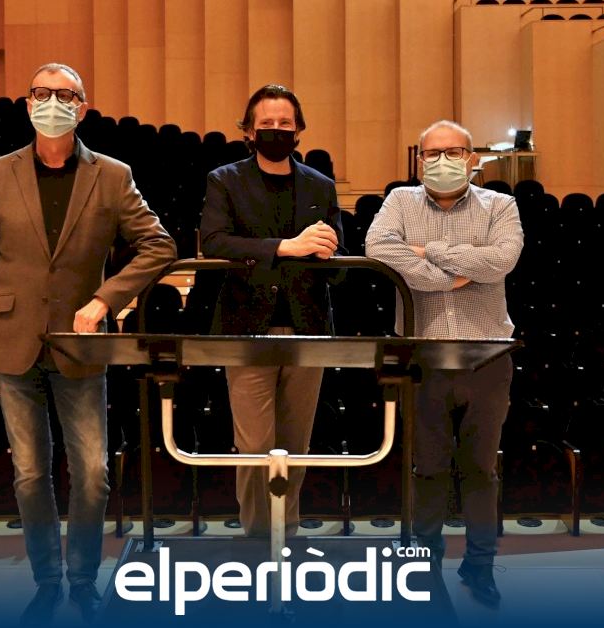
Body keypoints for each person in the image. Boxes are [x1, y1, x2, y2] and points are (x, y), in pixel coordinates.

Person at [0, 63, 177, 622]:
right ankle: (46, 581)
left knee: (93, 474)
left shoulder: (112, 175)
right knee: (30, 473)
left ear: (82, 107)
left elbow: (160, 246)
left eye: (65, 95)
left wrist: (106, 299)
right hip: (9, 343)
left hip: (81, 346)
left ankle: (83, 578)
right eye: (42, 93)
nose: (51, 102)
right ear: (27, 102)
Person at [365, 119, 523, 609]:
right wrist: (455, 272)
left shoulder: (501, 205)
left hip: (488, 355)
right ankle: (424, 567)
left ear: (471, 158)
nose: (441, 161)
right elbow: (379, 251)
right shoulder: (399, 201)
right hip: (424, 356)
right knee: (428, 469)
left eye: (452, 152)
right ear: (419, 160)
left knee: (481, 469)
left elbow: (501, 260)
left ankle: (480, 566)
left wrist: (428, 251)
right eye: (431, 153)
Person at [198, 84, 344, 537]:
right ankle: (258, 538)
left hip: (308, 328)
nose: (276, 130)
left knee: (296, 443)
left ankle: (287, 532)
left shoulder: (321, 184)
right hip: (246, 327)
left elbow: (338, 263)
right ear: (248, 130)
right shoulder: (224, 179)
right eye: (267, 124)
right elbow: (214, 241)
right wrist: (286, 247)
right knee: (255, 445)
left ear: (298, 130)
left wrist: (329, 250)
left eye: (285, 123)